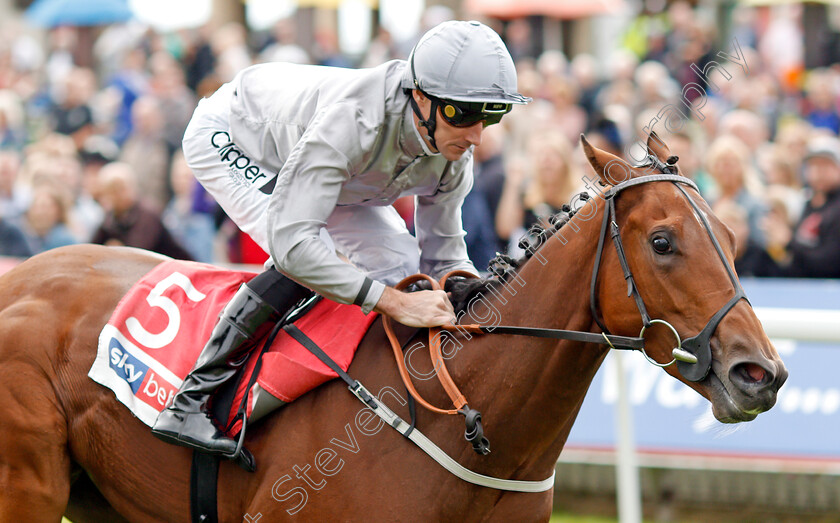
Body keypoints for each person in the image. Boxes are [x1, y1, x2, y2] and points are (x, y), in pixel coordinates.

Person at [152, 20, 530, 457]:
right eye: (461, 114)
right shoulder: (354, 123)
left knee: (401, 268)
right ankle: (192, 398)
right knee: (312, 256)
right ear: (421, 99)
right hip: (237, 138)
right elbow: (293, 246)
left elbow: (442, 257)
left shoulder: (452, 151)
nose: (475, 134)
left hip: (338, 174)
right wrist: (394, 302)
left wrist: (476, 297)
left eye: (490, 115)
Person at [91, 162, 193, 260]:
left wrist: (114, 251)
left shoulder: (147, 215)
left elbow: (138, 254)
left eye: (118, 189)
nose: (113, 196)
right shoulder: (111, 217)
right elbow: (93, 248)